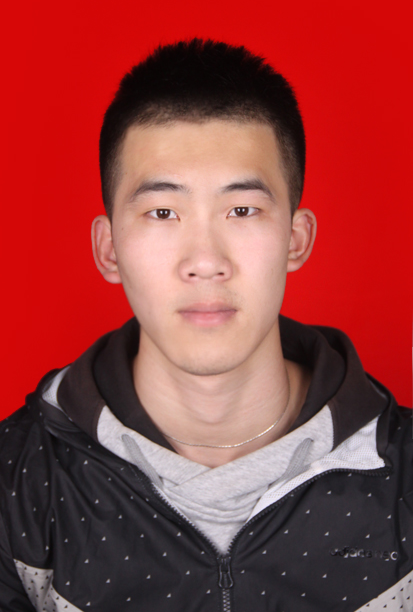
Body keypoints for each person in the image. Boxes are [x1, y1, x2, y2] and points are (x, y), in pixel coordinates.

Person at [0, 39, 411, 612]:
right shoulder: (17, 481)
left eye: (242, 210)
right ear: (109, 248)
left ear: (296, 239)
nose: (205, 260)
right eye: (162, 212)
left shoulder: (403, 475)